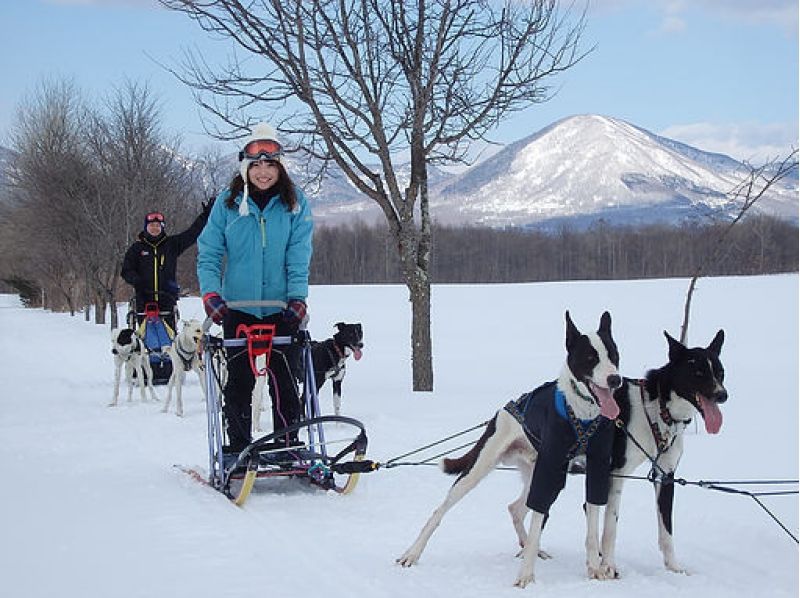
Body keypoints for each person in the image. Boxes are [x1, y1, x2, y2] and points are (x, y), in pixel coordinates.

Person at [197, 122, 314, 455]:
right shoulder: (228, 203)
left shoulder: (295, 204)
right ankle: (238, 449)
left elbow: (299, 254)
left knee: (285, 381)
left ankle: (287, 445)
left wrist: (297, 298)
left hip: (280, 307)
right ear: (245, 166)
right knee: (240, 382)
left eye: (270, 164)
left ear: (280, 166)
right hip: (238, 307)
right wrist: (211, 294)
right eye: (256, 164)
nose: (263, 172)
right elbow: (209, 253)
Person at [122, 202, 213, 333]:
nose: (154, 228)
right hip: (144, 301)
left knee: (168, 342)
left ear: (162, 227)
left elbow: (192, 233)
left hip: (167, 301)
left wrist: (206, 215)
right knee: (145, 340)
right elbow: (126, 270)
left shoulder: (171, 245)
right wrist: (137, 281)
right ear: (146, 228)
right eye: (151, 226)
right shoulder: (137, 248)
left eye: (158, 226)